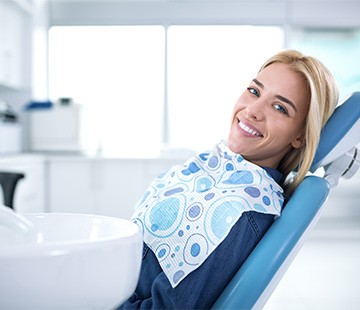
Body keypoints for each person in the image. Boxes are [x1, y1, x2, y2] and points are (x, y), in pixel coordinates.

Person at [118, 49, 339, 309]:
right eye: (254, 91)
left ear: (300, 136)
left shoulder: (240, 211)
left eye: (280, 108)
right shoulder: (216, 167)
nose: (252, 110)